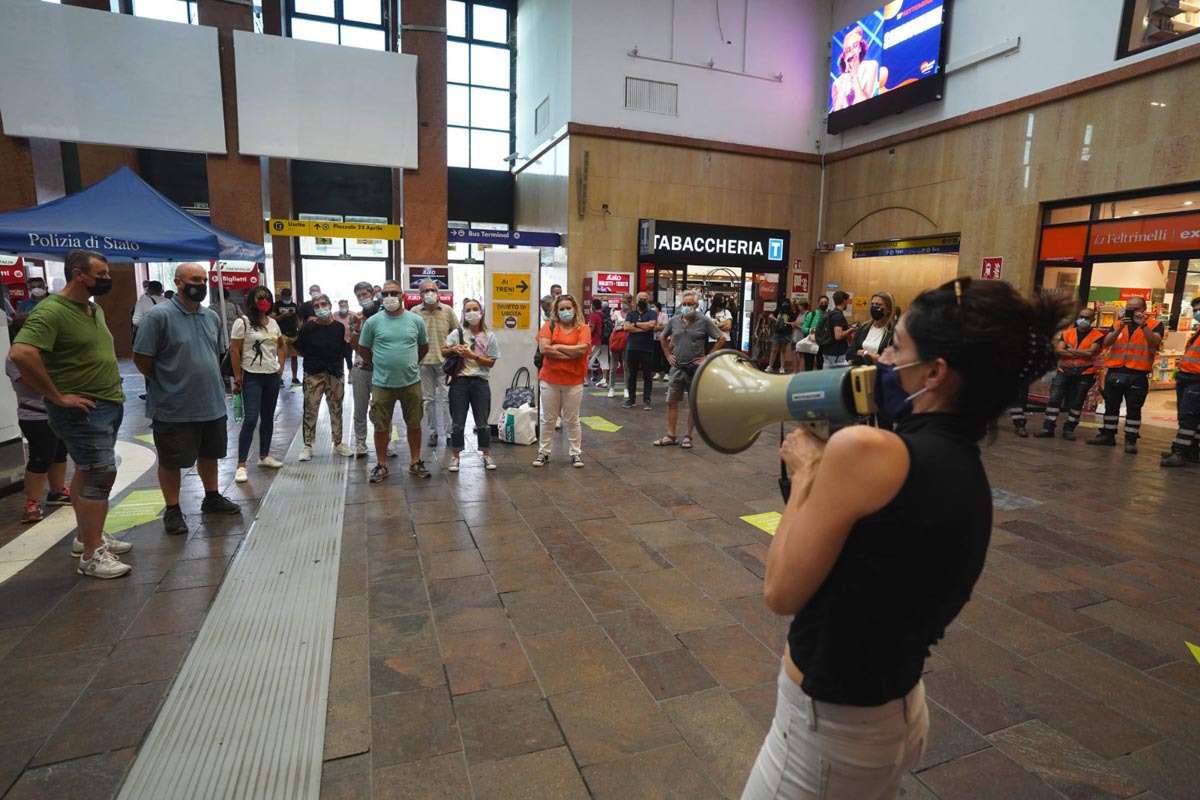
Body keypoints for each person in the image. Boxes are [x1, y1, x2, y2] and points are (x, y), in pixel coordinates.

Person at [742, 277, 1068, 799]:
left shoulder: (869, 452)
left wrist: (806, 471)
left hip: (826, 730)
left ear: (935, 372)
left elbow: (780, 592)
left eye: (897, 347)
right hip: (891, 710)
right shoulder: (962, 464)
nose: (882, 358)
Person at [10, 250, 134, 578]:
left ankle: (86, 537)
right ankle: (93, 555)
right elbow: (21, 353)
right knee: (100, 475)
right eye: (102, 273)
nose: (107, 279)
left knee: (87, 470)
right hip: (82, 410)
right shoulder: (51, 311)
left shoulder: (93, 308)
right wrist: (56, 395)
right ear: (79, 275)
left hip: (106, 403)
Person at [133, 262, 242, 535]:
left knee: (210, 453)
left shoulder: (211, 317)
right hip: (174, 405)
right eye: (195, 279)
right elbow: (142, 358)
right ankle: (172, 510)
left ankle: (212, 496)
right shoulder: (159, 316)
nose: (201, 285)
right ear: (178, 282)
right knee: (171, 459)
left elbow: (215, 354)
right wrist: (168, 381)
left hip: (211, 401)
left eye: (204, 280)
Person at [358, 280, 430, 483]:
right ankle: (381, 465)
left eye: (394, 293)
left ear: (402, 296)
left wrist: (411, 364)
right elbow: (363, 349)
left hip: (411, 383)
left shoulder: (415, 321)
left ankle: (416, 461)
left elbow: (423, 347)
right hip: (382, 384)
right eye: (386, 294)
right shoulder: (373, 322)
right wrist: (379, 365)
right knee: (381, 426)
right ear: (381, 297)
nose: (390, 298)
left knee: (414, 424)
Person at [6, 314, 71, 523]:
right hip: (35, 415)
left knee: (60, 453)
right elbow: (36, 383)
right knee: (41, 457)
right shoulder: (16, 357)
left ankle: (57, 491)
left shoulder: (49, 352)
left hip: (58, 412)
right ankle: (32, 503)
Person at [1087, 296, 1163, 454]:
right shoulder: (1117, 323)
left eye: (1135, 309)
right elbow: (1106, 343)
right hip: (1116, 371)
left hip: (1137, 373)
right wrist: (1120, 327)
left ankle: (1131, 439)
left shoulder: (1155, 325)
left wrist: (1143, 326)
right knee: (1111, 406)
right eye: (1129, 308)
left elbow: (1154, 343)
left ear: (1143, 310)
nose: (1132, 311)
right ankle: (1108, 435)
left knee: (1134, 409)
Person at [655, 291, 725, 449]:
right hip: (677, 367)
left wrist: (707, 357)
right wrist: (667, 354)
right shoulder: (675, 320)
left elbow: (721, 338)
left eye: (690, 304)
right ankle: (671, 435)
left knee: (693, 403)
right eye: (684, 304)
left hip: (695, 369)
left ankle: (688, 435)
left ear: (696, 305)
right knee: (672, 402)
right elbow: (662, 337)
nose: (686, 307)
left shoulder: (704, 321)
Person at [230, 286, 287, 483]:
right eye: (260, 298)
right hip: (252, 376)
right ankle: (241, 464)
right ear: (252, 301)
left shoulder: (273, 323)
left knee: (268, 417)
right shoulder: (243, 323)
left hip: (271, 376)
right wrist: (238, 377)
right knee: (251, 418)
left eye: (268, 298)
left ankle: (264, 456)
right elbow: (234, 351)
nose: (264, 301)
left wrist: (280, 368)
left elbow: (281, 345)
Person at [292, 293, 353, 462]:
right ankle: (307, 445)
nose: (321, 308)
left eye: (323, 304)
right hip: (313, 373)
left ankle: (338, 442)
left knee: (336, 408)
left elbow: (343, 348)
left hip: (334, 372)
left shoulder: (338, 328)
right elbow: (299, 348)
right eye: (317, 306)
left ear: (329, 306)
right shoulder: (307, 328)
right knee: (311, 408)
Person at [1031, 307, 1106, 441]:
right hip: (1064, 371)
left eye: (1087, 318)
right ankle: (1048, 428)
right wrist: (1080, 353)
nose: (1083, 320)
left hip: (1085, 373)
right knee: (1054, 399)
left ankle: (1069, 429)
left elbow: (1091, 353)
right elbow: (1059, 350)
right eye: (1081, 316)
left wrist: (1070, 351)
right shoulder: (1068, 333)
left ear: (1093, 320)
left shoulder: (1097, 336)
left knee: (1076, 403)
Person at [443, 298, 500, 472]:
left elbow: (491, 362)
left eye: (475, 309)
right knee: (457, 422)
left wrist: (472, 355)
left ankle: (486, 454)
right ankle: (456, 456)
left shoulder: (489, 335)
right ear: (463, 313)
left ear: (481, 312)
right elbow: (443, 350)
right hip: (459, 382)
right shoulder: (457, 333)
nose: (471, 313)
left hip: (480, 382)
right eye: (468, 310)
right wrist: (454, 349)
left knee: (482, 422)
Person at [534, 294, 591, 468]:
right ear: (556, 311)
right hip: (550, 380)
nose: (566, 311)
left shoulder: (583, 328)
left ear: (575, 309)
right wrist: (570, 354)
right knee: (548, 419)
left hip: (574, 381)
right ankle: (543, 452)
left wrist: (558, 347)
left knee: (572, 419)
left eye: (569, 308)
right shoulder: (549, 326)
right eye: (562, 309)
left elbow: (583, 349)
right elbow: (545, 349)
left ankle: (575, 453)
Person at [414, 279, 459, 447]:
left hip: (444, 362)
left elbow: (457, 332)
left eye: (432, 290)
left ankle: (449, 433)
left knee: (447, 398)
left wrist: (454, 352)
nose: (430, 293)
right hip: (424, 362)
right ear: (420, 294)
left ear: (438, 293)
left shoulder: (447, 311)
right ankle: (432, 432)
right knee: (428, 400)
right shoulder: (415, 312)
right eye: (426, 291)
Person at [347, 281, 385, 458]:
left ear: (372, 294)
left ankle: (387, 441)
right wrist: (357, 328)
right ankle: (360, 442)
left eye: (365, 294)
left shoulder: (384, 314)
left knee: (383, 407)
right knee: (360, 407)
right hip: (361, 368)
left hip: (382, 368)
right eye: (359, 296)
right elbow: (354, 346)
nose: (362, 298)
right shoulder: (356, 317)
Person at [1161, 296, 1200, 468]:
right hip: (1187, 376)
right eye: (1196, 310)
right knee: (1191, 416)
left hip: (1196, 379)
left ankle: (1180, 453)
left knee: (1188, 416)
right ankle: (1190, 451)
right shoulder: (1198, 330)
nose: (1198, 313)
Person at [830, 24, 886, 112]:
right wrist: (846, 75)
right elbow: (837, 111)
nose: (852, 52)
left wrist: (854, 77)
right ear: (844, 56)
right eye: (848, 50)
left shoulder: (871, 66)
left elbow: (864, 103)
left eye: (855, 46)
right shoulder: (837, 84)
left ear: (860, 48)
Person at [622, 291, 658, 410]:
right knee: (632, 374)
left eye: (645, 299)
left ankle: (647, 400)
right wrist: (644, 328)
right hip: (632, 348)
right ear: (636, 301)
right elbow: (626, 327)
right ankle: (631, 399)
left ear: (648, 301)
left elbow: (652, 325)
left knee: (647, 375)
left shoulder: (652, 313)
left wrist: (636, 324)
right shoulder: (631, 313)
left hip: (647, 348)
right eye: (640, 299)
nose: (642, 301)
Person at [852, 291, 897, 364]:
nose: (874, 307)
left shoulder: (894, 331)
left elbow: (892, 359)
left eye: (878, 305)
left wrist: (865, 353)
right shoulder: (863, 328)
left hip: (880, 372)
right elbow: (850, 353)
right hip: (860, 371)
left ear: (888, 309)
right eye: (872, 304)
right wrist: (874, 356)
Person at [272, 286, 302, 385]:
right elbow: (273, 319)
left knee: (294, 356)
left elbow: (297, 319)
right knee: (281, 356)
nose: (287, 300)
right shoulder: (277, 305)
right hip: (282, 334)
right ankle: (280, 378)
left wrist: (300, 330)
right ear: (282, 297)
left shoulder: (294, 305)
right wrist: (283, 315)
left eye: (288, 298)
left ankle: (294, 377)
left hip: (293, 333)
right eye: (285, 298)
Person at [821, 290, 857, 368]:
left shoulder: (831, 314)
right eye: (847, 301)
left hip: (827, 350)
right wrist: (851, 330)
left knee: (826, 376)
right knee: (834, 377)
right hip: (836, 353)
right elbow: (838, 335)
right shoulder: (838, 316)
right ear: (844, 301)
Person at [767, 298, 795, 373]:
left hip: (786, 333)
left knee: (783, 350)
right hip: (777, 332)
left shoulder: (791, 313)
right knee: (774, 349)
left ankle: (782, 367)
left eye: (787, 304)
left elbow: (793, 323)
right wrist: (778, 321)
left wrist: (785, 323)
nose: (785, 305)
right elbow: (770, 316)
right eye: (784, 303)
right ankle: (770, 366)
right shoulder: (778, 310)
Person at [799, 297, 827, 372]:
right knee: (808, 364)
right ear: (818, 304)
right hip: (811, 341)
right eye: (822, 303)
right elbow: (803, 328)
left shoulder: (829, 316)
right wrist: (812, 331)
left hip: (823, 343)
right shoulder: (812, 314)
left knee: (821, 364)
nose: (824, 305)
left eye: (825, 303)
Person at [587, 298, 610, 388]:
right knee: (604, 360)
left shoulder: (594, 316)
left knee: (588, 359)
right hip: (605, 341)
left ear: (593, 306)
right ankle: (604, 380)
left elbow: (591, 330)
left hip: (596, 341)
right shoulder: (605, 314)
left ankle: (583, 379)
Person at [334, 299, 355, 373]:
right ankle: (341, 372)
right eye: (341, 306)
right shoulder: (335, 315)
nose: (343, 307)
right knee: (339, 358)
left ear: (348, 306)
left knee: (349, 358)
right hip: (338, 341)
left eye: (344, 306)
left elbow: (355, 328)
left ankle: (350, 373)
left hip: (349, 340)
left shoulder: (352, 315)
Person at [651, 300, 670, 379]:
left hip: (663, 338)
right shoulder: (651, 315)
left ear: (658, 308)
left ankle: (667, 373)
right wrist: (658, 326)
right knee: (656, 356)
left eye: (654, 307)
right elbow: (650, 326)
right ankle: (657, 372)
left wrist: (657, 327)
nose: (652, 308)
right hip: (655, 339)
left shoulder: (664, 315)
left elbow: (665, 326)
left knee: (665, 355)